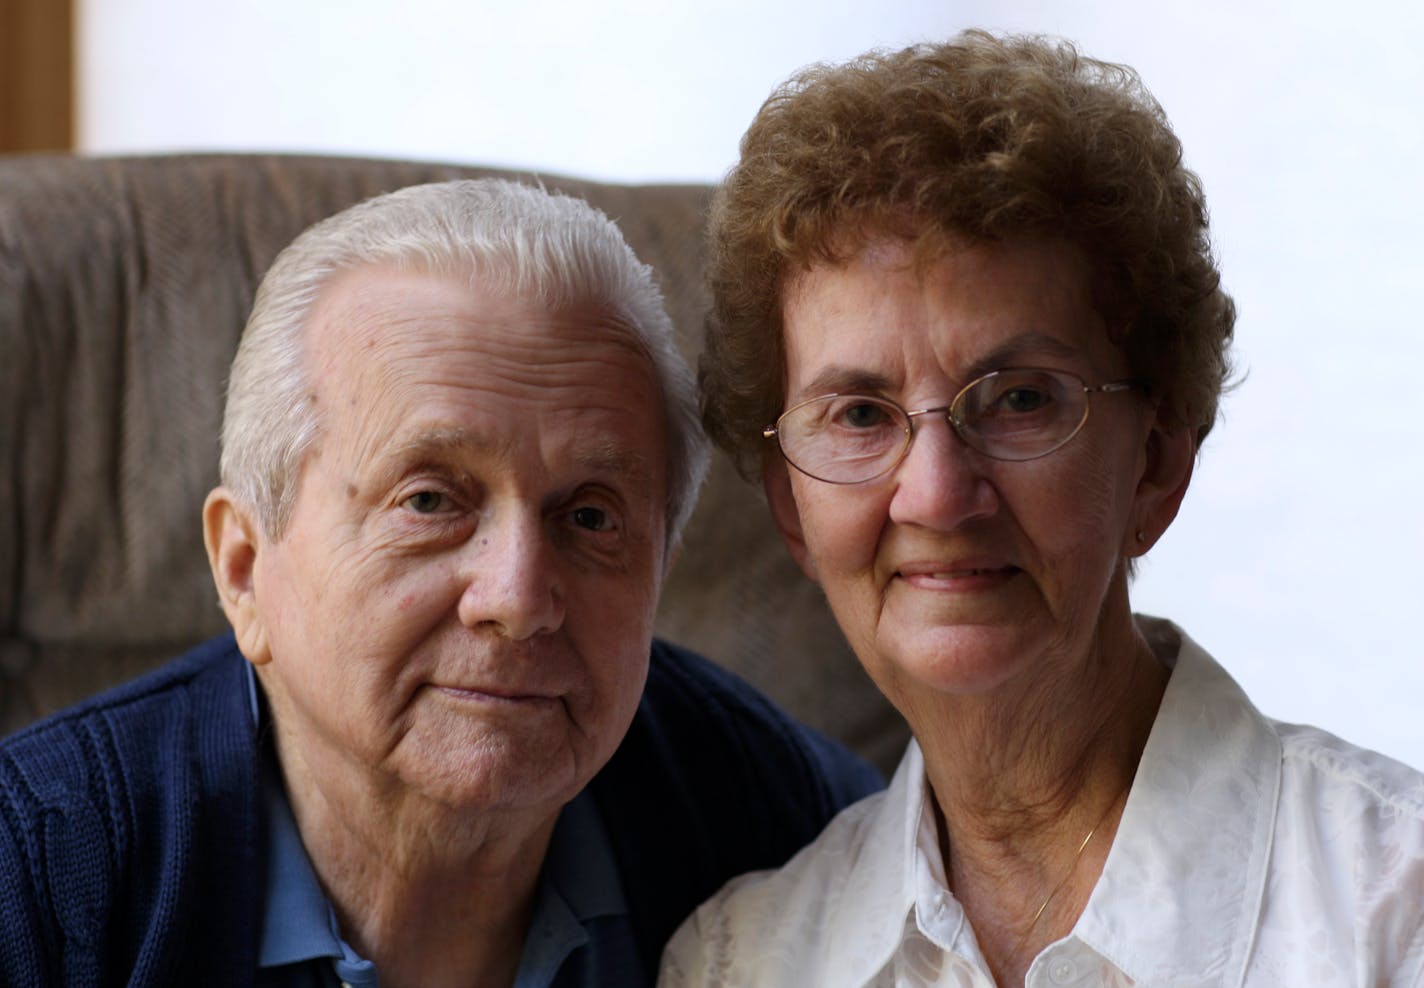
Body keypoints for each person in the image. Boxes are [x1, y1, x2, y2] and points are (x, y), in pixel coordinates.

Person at [660, 30, 1424, 987]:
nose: (936, 494)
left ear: (1157, 462)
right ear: (790, 507)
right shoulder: (739, 964)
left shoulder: (1392, 913)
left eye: (1019, 398)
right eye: (859, 414)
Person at [0, 178, 882, 987]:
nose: (517, 597)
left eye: (590, 517)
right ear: (243, 569)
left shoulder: (777, 821)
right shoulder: (35, 875)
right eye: (429, 501)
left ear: (659, 572)